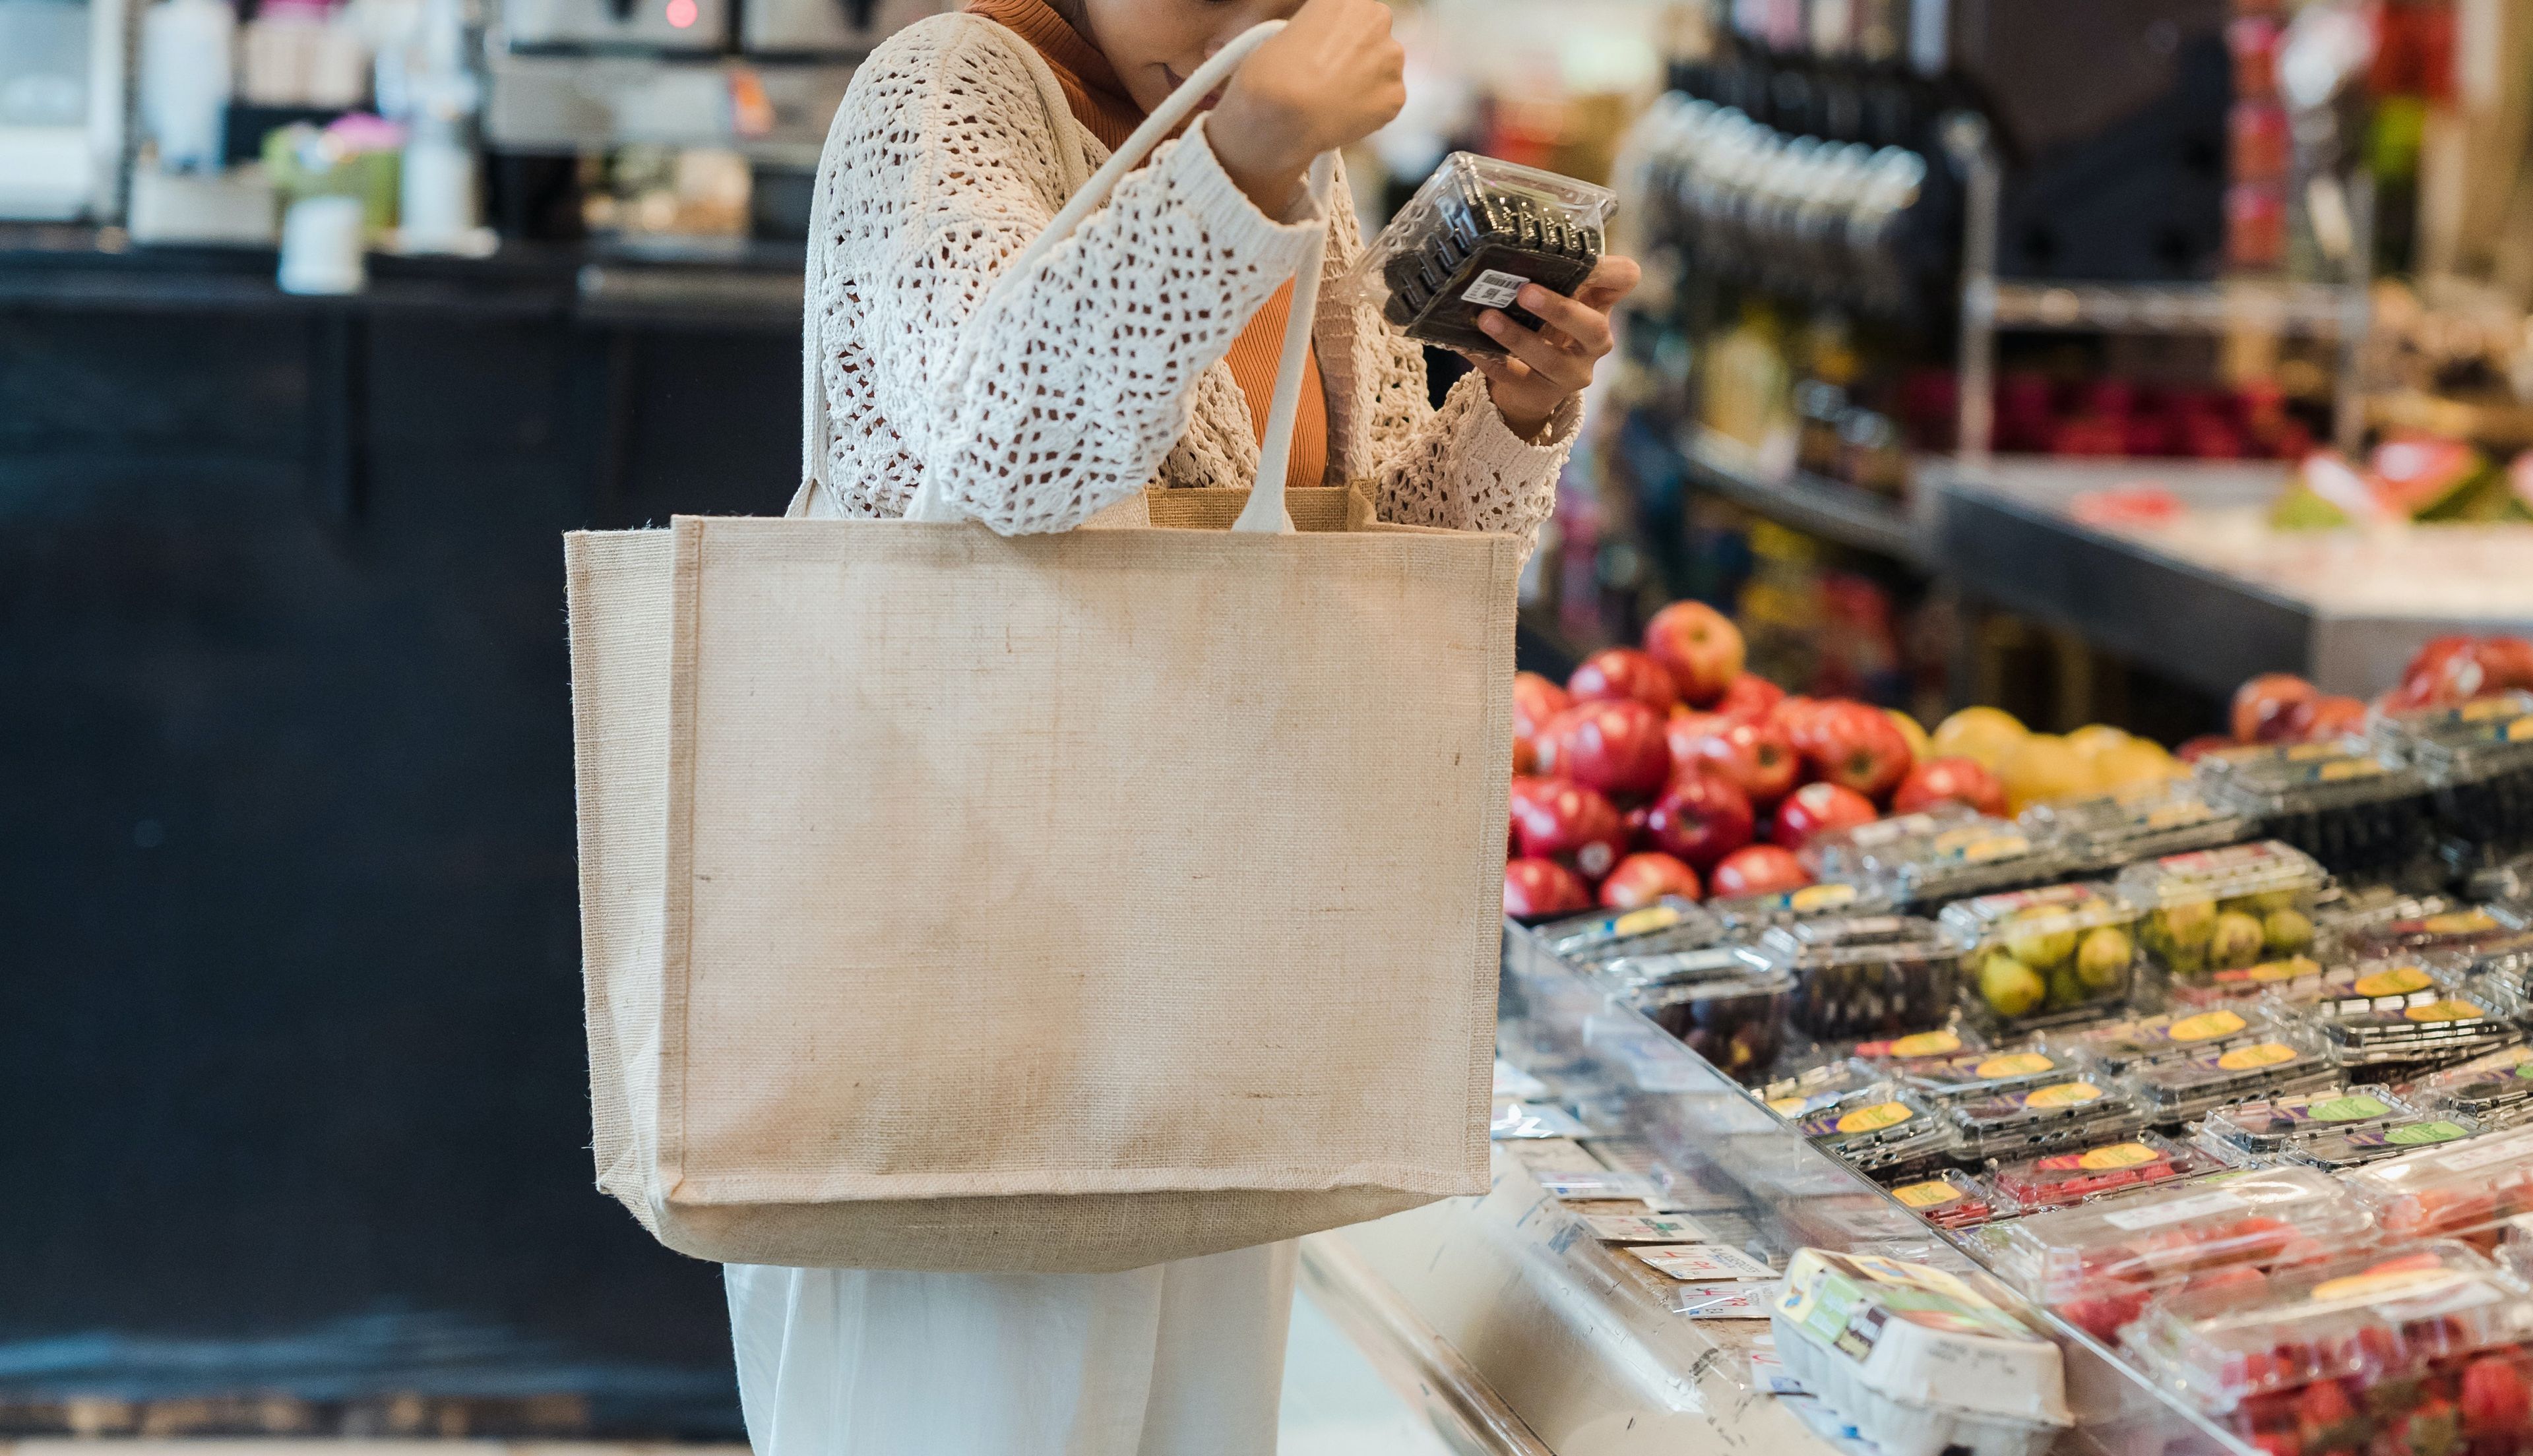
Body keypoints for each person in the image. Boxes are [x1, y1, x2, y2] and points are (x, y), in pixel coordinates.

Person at [732, 0, 1640, 1451]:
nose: (1242, 19)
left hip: (1208, 1011)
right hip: (971, 1015)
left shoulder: (1310, 175)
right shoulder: (950, 91)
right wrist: (1243, 160)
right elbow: (994, 458)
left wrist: (1514, 414)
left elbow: (1369, 580)